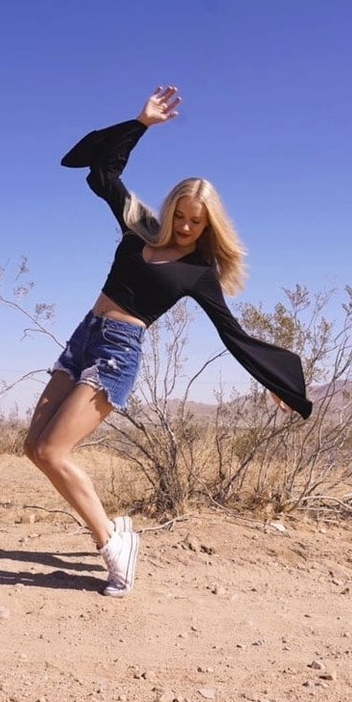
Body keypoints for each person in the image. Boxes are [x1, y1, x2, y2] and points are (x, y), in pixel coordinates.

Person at [24, 85, 312, 598]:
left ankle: (113, 545)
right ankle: (114, 535)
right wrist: (141, 124)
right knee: (34, 447)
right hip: (82, 339)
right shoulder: (143, 228)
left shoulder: (199, 272)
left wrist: (278, 383)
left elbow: (233, 333)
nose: (182, 226)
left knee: (52, 449)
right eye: (179, 214)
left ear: (209, 225)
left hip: (117, 352)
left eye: (194, 221)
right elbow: (102, 174)